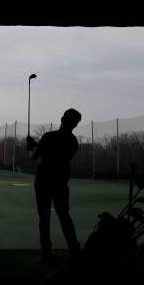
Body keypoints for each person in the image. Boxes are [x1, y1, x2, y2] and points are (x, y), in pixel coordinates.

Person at [26, 108, 82, 264]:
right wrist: (38, 145)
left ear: (62, 119)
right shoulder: (73, 141)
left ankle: (46, 252)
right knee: (64, 216)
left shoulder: (49, 136)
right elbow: (56, 152)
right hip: (60, 182)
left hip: (44, 180)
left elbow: (36, 156)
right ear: (75, 124)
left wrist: (31, 148)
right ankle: (75, 251)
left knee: (44, 218)